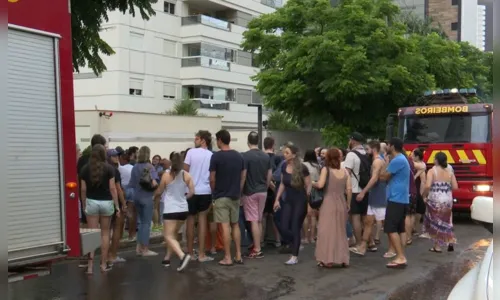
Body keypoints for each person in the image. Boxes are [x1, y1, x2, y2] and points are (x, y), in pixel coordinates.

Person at [79, 144, 120, 274]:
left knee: (92, 234)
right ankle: (103, 264)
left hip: (92, 202)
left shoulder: (85, 169)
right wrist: (117, 206)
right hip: (107, 203)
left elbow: (83, 189)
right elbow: (113, 189)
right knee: (105, 233)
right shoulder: (109, 169)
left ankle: (90, 267)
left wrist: (84, 204)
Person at [210, 129, 246, 266]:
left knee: (225, 226)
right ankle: (238, 255)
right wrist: (239, 189)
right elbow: (243, 176)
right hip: (235, 195)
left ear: (220, 140)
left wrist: (214, 191)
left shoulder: (216, 157)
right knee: (235, 224)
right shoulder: (239, 156)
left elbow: (212, 178)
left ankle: (227, 257)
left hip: (221, 195)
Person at [154, 152, 195, 271]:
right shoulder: (187, 175)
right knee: (174, 235)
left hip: (171, 210)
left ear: (171, 162)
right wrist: (183, 198)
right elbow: (192, 192)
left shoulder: (166, 176)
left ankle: (183, 256)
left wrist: (153, 197)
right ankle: (167, 258)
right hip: (183, 209)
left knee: (167, 236)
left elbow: (160, 191)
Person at [273, 144, 312, 265]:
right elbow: (283, 184)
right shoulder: (284, 165)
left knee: (295, 226)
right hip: (288, 200)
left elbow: (309, 184)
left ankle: (294, 256)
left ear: (294, 155)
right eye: (284, 152)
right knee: (283, 226)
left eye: (287, 152)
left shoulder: (302, 168)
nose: (284, 154)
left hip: (300, 200)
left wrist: (308, 201)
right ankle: (296, 242)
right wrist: (277, 199)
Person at [314, 148, 351, 268]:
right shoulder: (345, 172)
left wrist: (311, 182)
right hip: (341, 202)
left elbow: (320, 184)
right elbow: (349, 189)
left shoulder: (326, 169)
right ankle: (343, 258)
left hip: (328, 202)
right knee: (340, 232)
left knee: (325, 231)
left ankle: (326, 259)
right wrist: (348, 203)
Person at [184, 130, 215, 262]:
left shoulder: (190, 152)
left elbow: (185, 171)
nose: (194, 141)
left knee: (190, 220)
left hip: (191, 190)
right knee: (202, 220)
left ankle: (190, 253)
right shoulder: (211, 155)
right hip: (205, 190)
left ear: (203, 140)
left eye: (196, 138)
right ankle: (202, 254)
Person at [351, 141, 386, 256]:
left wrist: (363, 192)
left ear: (373, 149)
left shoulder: (377, 161)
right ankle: (363, 246)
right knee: (368, 221)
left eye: (367, 149)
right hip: (377, 193)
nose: (366, 152)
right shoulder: (380, 160)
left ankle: (364, 246)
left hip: (377, 194)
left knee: (373, 221)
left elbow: (374, 178)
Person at [379, 137, 410, 268]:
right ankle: (400, 254)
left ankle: (400, 256)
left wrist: (385, 162)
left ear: (392, 146)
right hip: (401, 198)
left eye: (388, 145)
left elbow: (383, 177)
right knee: (399, 228)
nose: (386, 147)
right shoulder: (402, 159)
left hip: (396, 198)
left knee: (391, 228)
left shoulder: (397, 160)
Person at [242, 132, 272, 259]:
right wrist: (265, 186)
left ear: (248, 141)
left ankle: (257, 249)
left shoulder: (245, 156)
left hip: (250, 191)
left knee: (253, 220)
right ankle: (258, 244)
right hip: (262, 191)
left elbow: (243, 175)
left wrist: (240, 190)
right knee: (259, 219)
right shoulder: (266, 156)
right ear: (258, 141)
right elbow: (269, 174)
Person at [422, 152, 458, 253]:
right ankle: (449, 240)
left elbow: (428, 185)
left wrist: (424, 195)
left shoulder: (432, 171)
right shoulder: (450, 172)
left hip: (435, 199)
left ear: (437, 160)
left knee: (436, 223)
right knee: (446, 220)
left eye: (434, 158)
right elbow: (455, 187)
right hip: (447, 199)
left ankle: (437, 246)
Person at [129, 146, 159, 256]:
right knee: (146, 223)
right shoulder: (150, 167)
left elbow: (131, 184)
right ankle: (145, 249)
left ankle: (138, 247)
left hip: (136, 196)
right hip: (147, 197)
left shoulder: (135, 167)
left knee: (141, 223)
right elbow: (155, 183)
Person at [344, 132, 369, 250]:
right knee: (365, 218)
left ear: (353, 141)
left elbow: (346, 173)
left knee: (355, 218)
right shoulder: (366, 153)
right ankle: (368, 242)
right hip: (365, 189)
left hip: (354, 190)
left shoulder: (351, 155)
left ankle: (359, 243)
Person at [107, 148, 128, 264]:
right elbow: (118, 189)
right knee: (117, 228)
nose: (117, 158)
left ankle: (105, 256)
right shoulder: (114, 171)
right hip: (115, 203)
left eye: (117, 156)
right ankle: (113, 255)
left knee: (106, 231)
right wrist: (123, 204)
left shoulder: (102, 169)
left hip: (104, 202)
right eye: (114, 156)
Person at [263, 137, 283, 247]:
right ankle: (278, 240)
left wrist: (268, 185)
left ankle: (261, 241)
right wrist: (274, 187)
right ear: (273, 145)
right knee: (274, 216)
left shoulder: (261, 157)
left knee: (263, 216)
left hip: (264, 189)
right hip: (276, 191)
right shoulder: (279, 158)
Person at [302, 149, 320, 244]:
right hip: (316, 190)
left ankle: (305, 237)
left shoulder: (303, 165)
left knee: (305, 215)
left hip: (305, 189)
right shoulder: (318, 166)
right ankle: (312, 237)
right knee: (313, 215)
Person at [411, 148, 427, 237]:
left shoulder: (420, 165)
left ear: (417, 157)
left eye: (412, 155)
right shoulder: (421, 165)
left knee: (417, 211)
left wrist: (421, 195)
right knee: (418, 211)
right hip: (416, 190)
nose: (411, 157)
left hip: (416, 190)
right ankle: (413, 228)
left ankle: (413, 227)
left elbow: (423, 182)